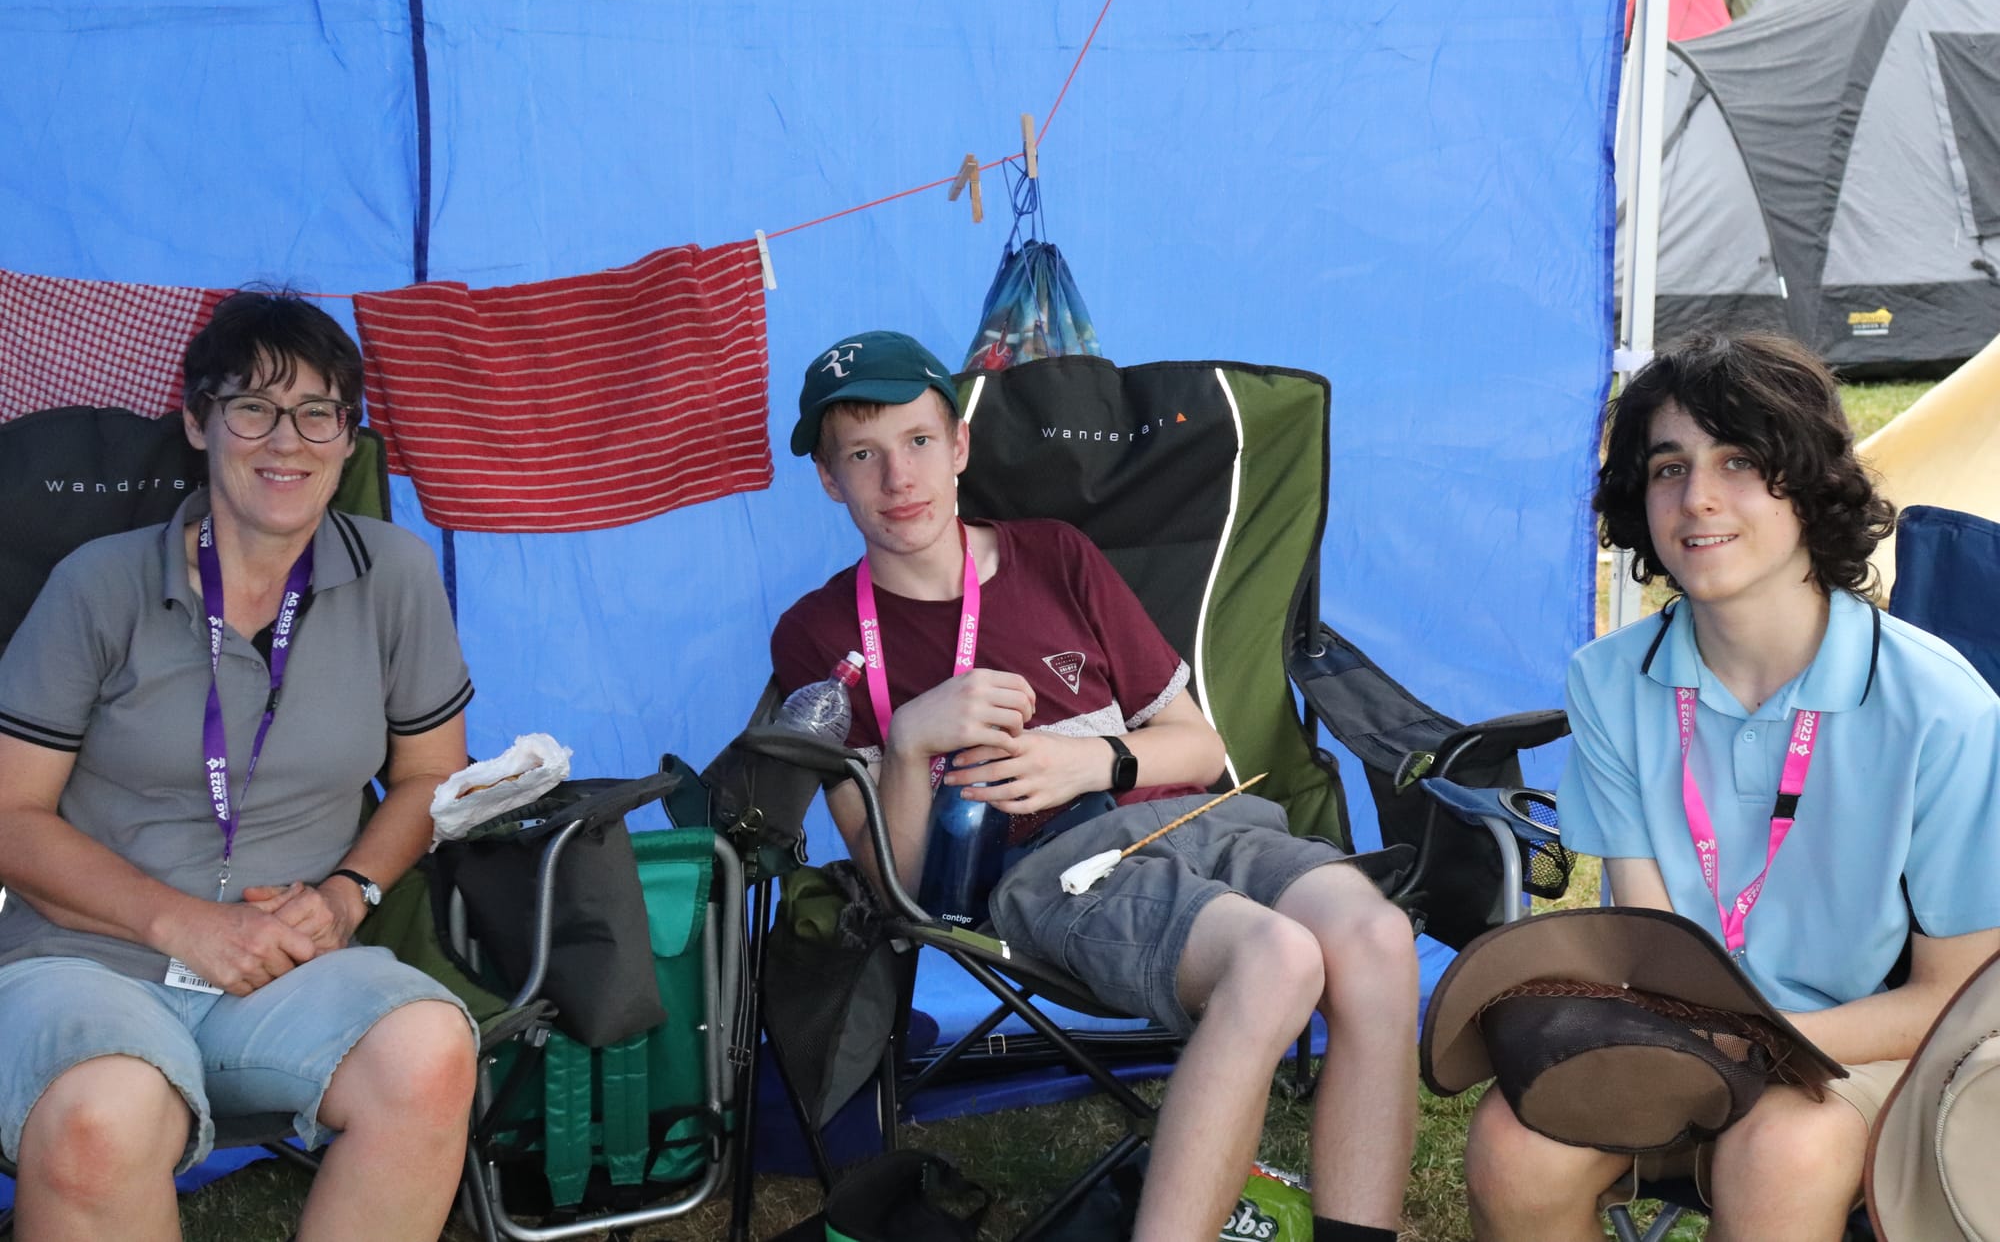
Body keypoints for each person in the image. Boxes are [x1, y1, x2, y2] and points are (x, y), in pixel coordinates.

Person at [771, 331, 1419, 1242]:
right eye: (863, 456)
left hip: (1202, 815)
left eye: (918, 442)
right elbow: (900, 885)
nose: (898, 478)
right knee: (1279, 959)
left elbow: (1198, 743)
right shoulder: (821, 635)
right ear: (830, 480)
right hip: (1059, 868)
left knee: (1379, 938)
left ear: (959, 446)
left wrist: (1094, 759)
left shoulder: (1056, 557)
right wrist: (914, 737)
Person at [1463, 330, 2000, 1242]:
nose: (1698, 497)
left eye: (1740, 460)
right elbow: (1648, 938)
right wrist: (1683, 1038)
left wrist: (1769, 1040)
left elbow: (1955, 993)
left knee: (1780, 1149)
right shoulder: (1609, 680)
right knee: (1512, 1146)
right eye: (1667, 466)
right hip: (1687, 1030)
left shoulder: (1938, 703)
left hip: (1877, 1043)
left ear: (1810, 485)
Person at [0, 292, 480, 1241]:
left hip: (285, 965)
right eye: (252, 406)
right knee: (106, 1115)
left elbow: (432, 778)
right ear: (196, 420)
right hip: (87, 957)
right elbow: (10, 814)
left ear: (349, 439)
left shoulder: (395, 575)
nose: (285, 439)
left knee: (427, 1050)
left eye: (318, 412)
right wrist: (187, 926)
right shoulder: (98, 583)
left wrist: (348, 894)